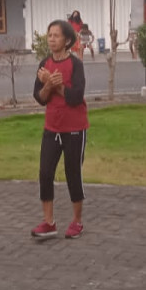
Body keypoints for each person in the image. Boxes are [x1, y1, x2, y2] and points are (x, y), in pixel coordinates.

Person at [31, 20, 88, 240]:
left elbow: (75, 98)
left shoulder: (75, 65)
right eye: (49, 35)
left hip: (74, 128)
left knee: (73, 173)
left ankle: (77, 221)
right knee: (45, 173)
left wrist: (57, 85)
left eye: (56, 35)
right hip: (51, 127)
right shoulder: (44, 64)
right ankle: (49, 222)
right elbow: (40, 98)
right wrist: (47, 85)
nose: (52, 39)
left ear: (67, 40)